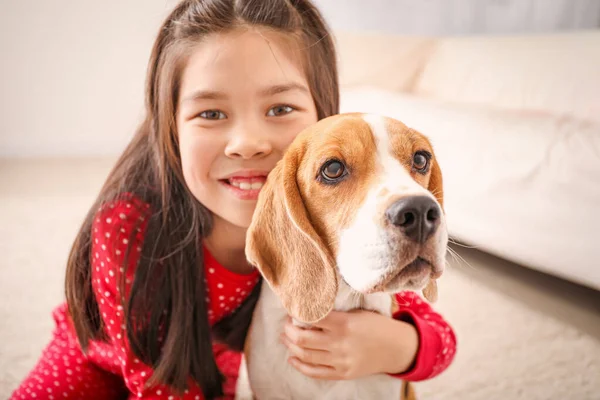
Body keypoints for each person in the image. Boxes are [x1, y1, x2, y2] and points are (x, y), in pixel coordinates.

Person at [10, 0, 457, 399]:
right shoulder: (129, 227)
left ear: (325, 116)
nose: (247, 143)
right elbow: (158, 385)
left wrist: (397, 345)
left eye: (280, 109)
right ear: (171, 130)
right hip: (106, 358)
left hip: (222, 365)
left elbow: (438, 337)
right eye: (210, 113)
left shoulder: (335, 219)